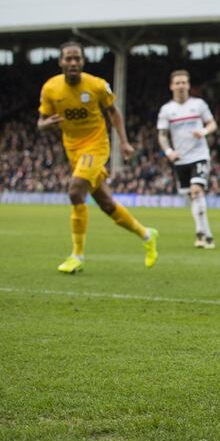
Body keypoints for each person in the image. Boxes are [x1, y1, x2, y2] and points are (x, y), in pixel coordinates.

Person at [38, 41, 159, 273]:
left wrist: (123, 142)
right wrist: (47, 124)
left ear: (83, 62)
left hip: (96, 145)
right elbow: (41, 122)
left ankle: (77, 256)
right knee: (106, 203)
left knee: (75, 191)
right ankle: (147, 235)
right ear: (61, 62)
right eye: (68, 59)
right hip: (72, 149)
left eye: (77, 59)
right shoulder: (50, 88)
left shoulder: (97, 86)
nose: (73, 63)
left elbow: (114, 112)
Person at [157, 70, 217, 249]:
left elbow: (212, 123)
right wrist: (169, 152)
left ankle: (202, 234)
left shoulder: (198, 105)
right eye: (178, 83)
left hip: (199, 155)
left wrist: (204, 132)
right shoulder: (167, 110)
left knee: (196, 190)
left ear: (189, 85)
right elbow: (162, 135)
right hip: (180, 159)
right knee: (192, 196)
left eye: (184, 82)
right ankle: (207, 235)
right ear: (171, 86)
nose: (181, 86)